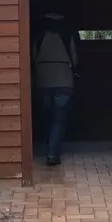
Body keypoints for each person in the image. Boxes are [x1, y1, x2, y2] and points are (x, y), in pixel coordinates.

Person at [32, 12, 79, 166]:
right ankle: (52, 153)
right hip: (64, 79)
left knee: (46, 116)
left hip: (43, 79)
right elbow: (75, 58)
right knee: (58, 118)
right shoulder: (67, 33)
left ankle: (48, 148)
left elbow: (32, 58)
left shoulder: (38, 35)